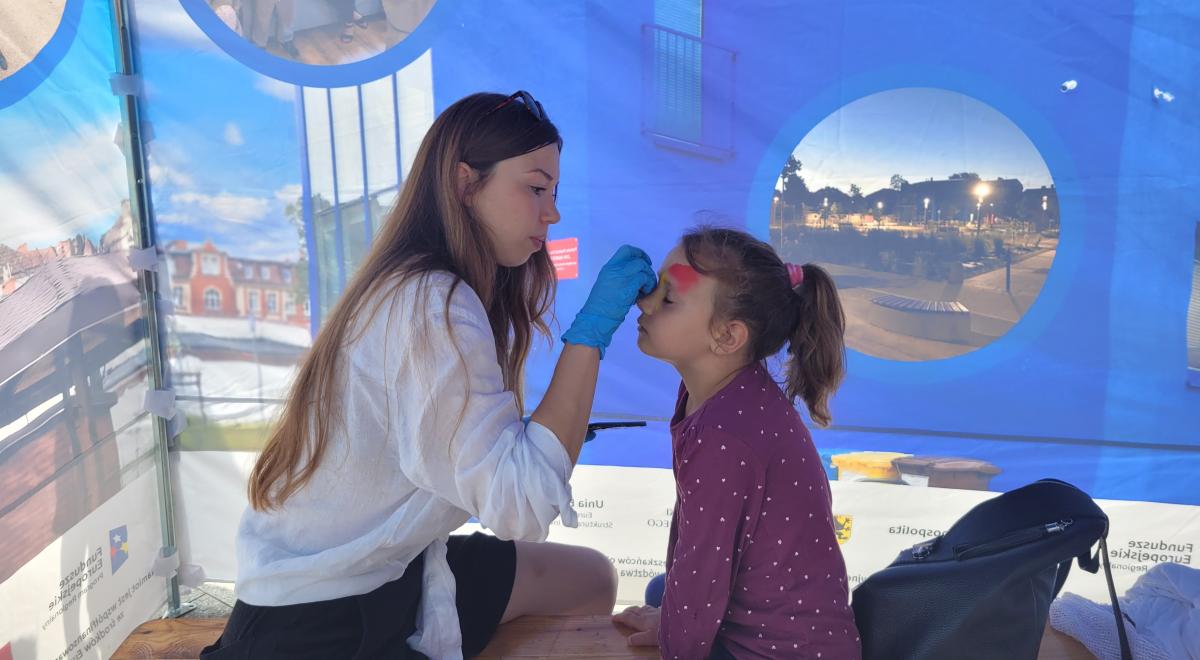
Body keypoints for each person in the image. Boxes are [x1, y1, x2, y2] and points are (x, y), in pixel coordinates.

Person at [201, 91, 658, 659]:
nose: (553, 213)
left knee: (589, 580)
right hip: (323, 612)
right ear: (466, 184)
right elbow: (519, 504)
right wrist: (590, 335)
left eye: (555, 192)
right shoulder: (430, 304)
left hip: (394, 565)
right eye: (536, 188)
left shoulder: (427, 286)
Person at [614, 227, 862, 658]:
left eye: (668, 299)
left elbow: (700, 573)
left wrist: (673, 636)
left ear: (727, 337)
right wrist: (671, 616)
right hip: (774, 627)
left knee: (670, 603)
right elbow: (697, 555)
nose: (644, 302)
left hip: (781, 652)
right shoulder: (720, 395)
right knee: (661, 591)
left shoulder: (725, 436)